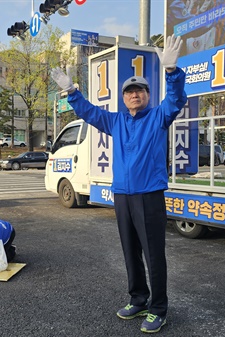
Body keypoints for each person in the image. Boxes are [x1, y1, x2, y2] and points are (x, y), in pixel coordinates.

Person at [51, 34, 186, 334]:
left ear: (148, 96)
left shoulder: (159, 117)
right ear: (123, 99)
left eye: (139, 91)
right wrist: (71, 91)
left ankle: (159, 309)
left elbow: (176, 99)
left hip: (150, 196)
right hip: (123, 196)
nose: (134, 95)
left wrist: (172, 72)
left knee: (154, 254)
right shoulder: (116, 121)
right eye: (129, 92)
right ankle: (138, 299)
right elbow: (89, 112)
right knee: (130, 252)